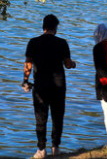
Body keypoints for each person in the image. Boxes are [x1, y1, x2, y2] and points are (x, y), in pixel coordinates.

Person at [22, 14, 77, 158]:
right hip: (58, 86)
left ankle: (41, 150)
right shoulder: (62, 43)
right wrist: (73, 64)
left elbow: (28, 63)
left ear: (43, 27)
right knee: (57, 116)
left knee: (41, 117)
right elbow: (67, 63)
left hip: (41, 85)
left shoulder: (33, 42)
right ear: (55, 27)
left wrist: (25, 80)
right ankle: (55, 148)